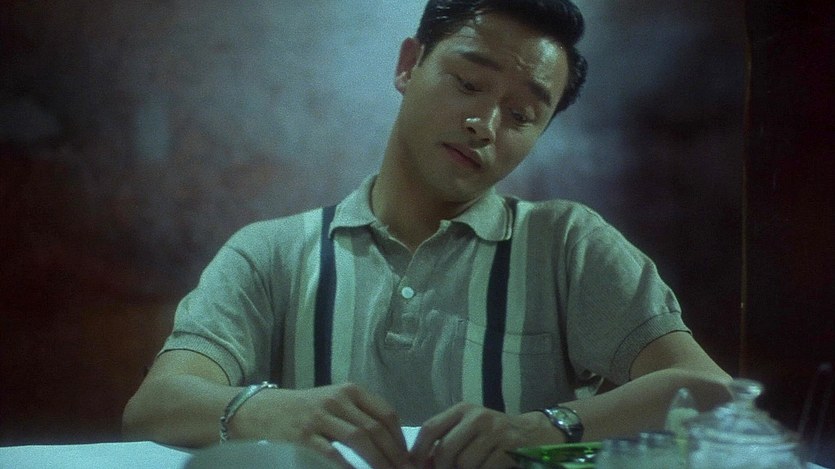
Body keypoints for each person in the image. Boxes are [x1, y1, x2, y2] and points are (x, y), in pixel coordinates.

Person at [122, 1, 732, 468]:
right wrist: (267, 410)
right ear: (408, 65)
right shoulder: (272, 251)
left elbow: (712, 392)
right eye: (468, 83)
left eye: (521, 115)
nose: (484, 124)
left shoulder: (566, 244)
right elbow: (154, 405)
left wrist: (541, 427)